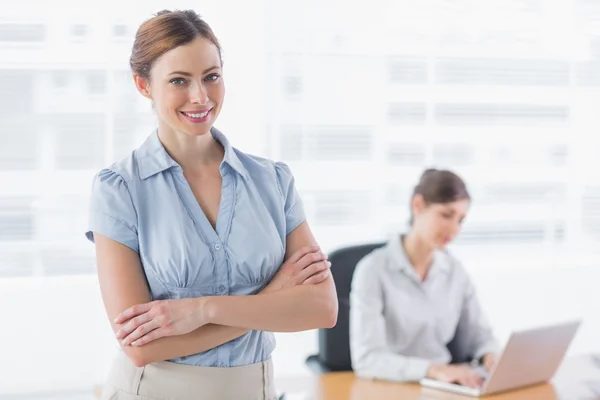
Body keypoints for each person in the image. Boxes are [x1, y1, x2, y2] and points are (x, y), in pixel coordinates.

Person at [85, 10, 338, 400]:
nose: (200, 96)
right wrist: (270, 300)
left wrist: (202, 310)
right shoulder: (121, 190)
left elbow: (321, 308)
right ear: (143, 85)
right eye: (179, 81)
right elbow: (140, 346)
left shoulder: (272, 182)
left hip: (257, 390)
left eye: (211, 76)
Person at [349, 168, 499, 388]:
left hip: (444, 387)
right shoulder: (372, 270)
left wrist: (490, 354)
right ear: (418, 205)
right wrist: (433, 370)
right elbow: (367, 359)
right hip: (389, 388)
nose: (454, 229)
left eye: (460, 220)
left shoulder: (455, 271)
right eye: (446, 215)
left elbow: (482, 336)